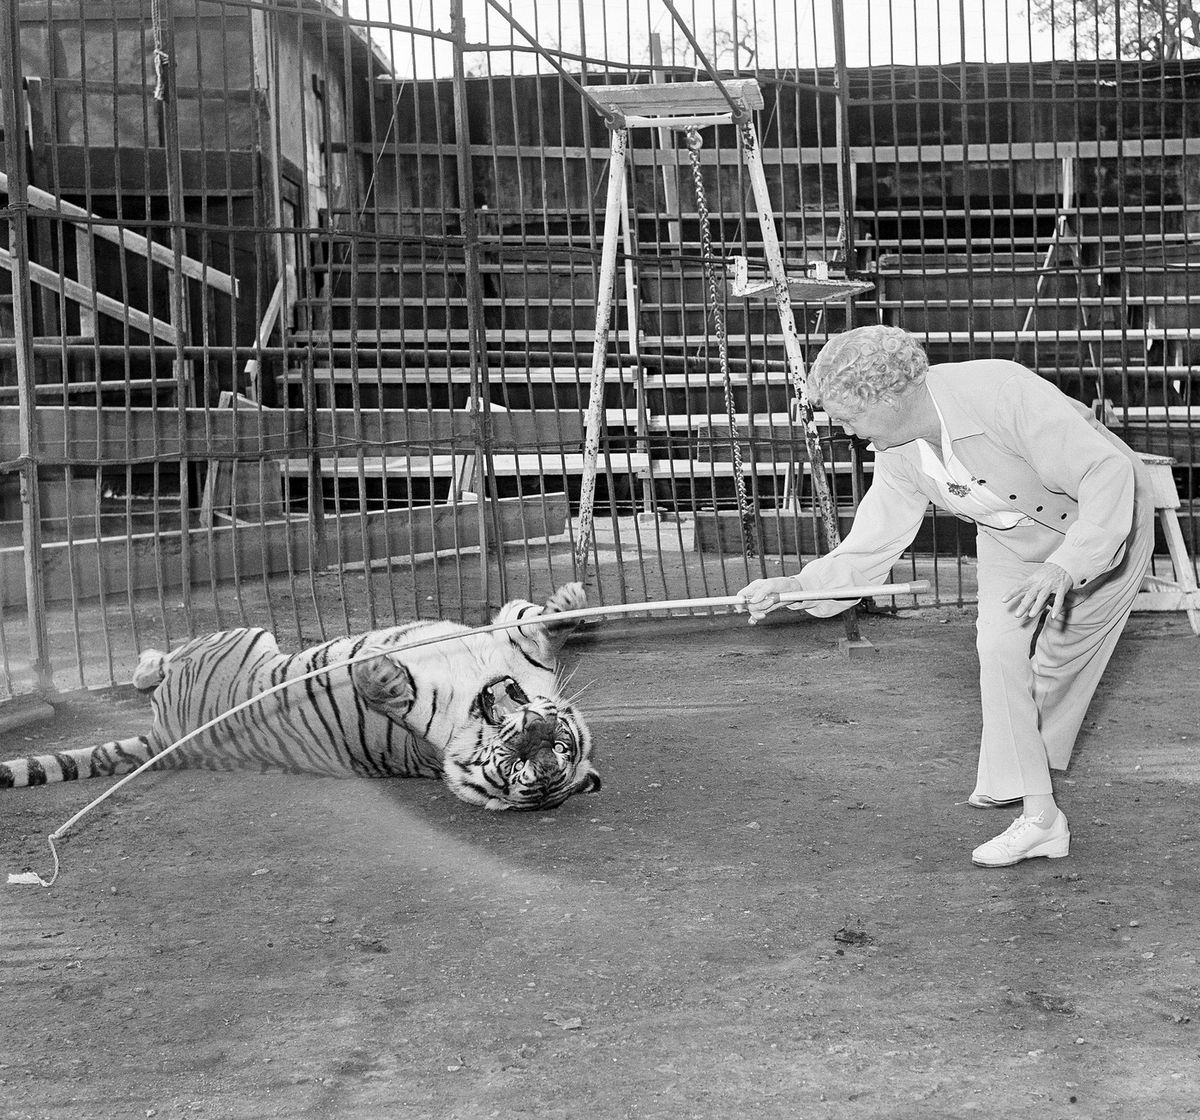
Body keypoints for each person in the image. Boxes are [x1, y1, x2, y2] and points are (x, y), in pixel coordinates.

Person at [738, 325, 1155, 868]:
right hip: (1011, 540)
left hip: (1101, 524)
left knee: (1058, 666)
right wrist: (795, 587)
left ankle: (1021, 768)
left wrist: (1067, 565)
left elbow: (1106, 472)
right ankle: (1040, 818)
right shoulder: (898, 453)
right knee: (1000, 653)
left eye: (848, 416)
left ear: (888, 399)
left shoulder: (1000, 391)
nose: (844, 431)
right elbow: (872, 543)